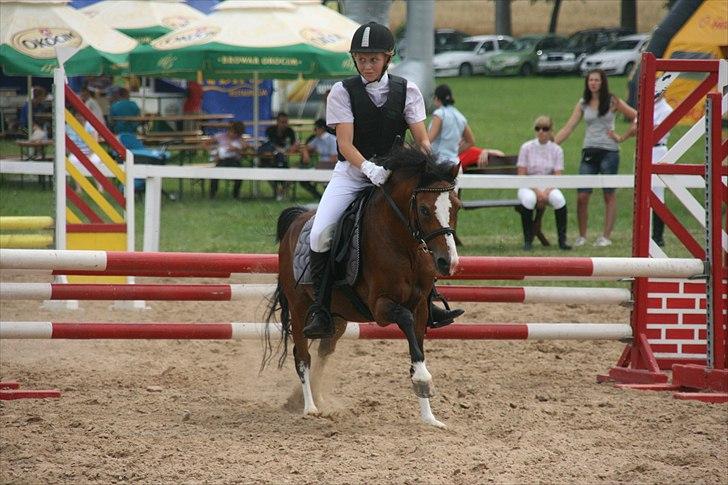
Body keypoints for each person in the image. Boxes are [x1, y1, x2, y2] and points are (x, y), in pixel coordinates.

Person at [303, 21, 462, 339]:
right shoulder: (342, 91)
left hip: (394, 176)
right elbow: (346, 144)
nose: (367, 65)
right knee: (319, 234)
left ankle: (428, 301)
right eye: (361, 59)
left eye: (373, 59)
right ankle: (321, 307)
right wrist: (368, 169)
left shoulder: (408, 91)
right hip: (352, 175)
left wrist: (431, 167)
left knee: (422, 225)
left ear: (387, 58)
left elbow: (421, 139)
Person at [554, 69, 637, 248]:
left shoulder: (613, 101)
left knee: (609, 194)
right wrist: (552, 145)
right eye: (590, 80)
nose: (593, 83)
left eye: (596, 80)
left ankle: (605, 236)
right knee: (582, 195)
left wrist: (624, 136)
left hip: (609, 151)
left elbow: (636, 116)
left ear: (602, 82)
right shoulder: (583, 103)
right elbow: (569, 127)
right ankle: (582, 236)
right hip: (589, 152)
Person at [611, 93, 673, 247]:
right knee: (641, 191)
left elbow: (652, 130)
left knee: (658, 194)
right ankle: (643, 233)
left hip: (658, 150)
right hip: (642, 149)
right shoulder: (647, 107)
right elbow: (635, 128)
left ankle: (658, 236)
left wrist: (641, 126)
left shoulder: (666, 109)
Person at [517, 115, 571, 251]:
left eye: (545, 129)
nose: (541, 131)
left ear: (551, 131)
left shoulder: (557, 150)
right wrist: (536, 191)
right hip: (528, 185)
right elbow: (522, 173)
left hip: (549, 185)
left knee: (559, 200)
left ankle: (562, 240)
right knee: (528, 200)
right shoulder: (526, 147)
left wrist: (546, 191)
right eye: (538, 128)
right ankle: (528, 240)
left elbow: (558, 175)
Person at [427, 84, 475, 163]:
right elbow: (471, 141)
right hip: (455, 163)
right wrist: (454, 153)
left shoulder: (439, 114)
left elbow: (428, 140)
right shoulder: (460, 117)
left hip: (439, 164)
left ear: (437, 98)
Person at [258, 112, 299, 201]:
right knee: (268, 172)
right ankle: (278, 191)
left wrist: (288, 149)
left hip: (283, 159)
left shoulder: (290, 131)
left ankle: (281, 191)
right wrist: (281, 150)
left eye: (286, 122)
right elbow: (268, 144)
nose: (284, 124)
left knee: (292, 172)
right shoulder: (270, 130)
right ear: (277, 122)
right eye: (282, 122)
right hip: (270, 160)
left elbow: (294, 145)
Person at [298, 118, 338, 198]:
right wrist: (306, 154)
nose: (314, 131)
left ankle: (327, 197)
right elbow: (306, 147)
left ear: (322, 129)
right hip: (320, 166)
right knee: (302, 178)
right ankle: (318, 196)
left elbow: (334, 159)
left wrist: (321, 165)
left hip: (330, 167)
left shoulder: (332, 140)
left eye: (315, 128)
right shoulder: (317, 139)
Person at [208, 121, 248, 199]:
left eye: (237, 134)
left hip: (234, 160)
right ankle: (212, 194)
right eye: (233, 133)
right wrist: (213, 153)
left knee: (240, 173)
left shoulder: (240, 139)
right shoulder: (220, 136)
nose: (234, 135)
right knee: (215, 173)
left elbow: (246, 148)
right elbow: (205, 144)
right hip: (222, 160)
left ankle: (236, 194)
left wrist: (237, 149)